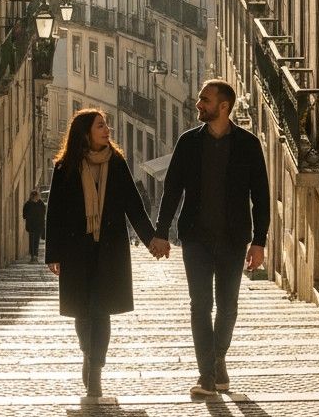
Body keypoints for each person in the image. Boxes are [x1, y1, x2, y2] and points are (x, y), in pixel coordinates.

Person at [150, 79, 270, 398]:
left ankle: (217, 360)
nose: (198, 104)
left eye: (205, 100)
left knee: (228, 306)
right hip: (196, 240)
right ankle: (207, 375)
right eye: (201, 99)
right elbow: (172, 189)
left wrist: (260, 241)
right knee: (200, 305)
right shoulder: (189, 143)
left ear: (224, 106)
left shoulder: (248, 144)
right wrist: (161, 233)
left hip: (233, 240)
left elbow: (261, 196)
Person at [44, 109, 157, 398]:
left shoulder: (117, 163)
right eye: (101, 126)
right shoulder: (64, 168)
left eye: (106, 125)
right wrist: (53, 253)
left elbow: (133, 205)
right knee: (83, 312)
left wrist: (152, 240)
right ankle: (87, 352)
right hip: (76, 251)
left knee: (102, 311)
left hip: (109, 250)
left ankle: (96, 368)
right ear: (85, 133)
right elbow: (54, 212)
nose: (107, 130)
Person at [22, 189, 46, 262]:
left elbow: (43, 215)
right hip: (31, 226)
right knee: (32, 241)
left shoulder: (41, 204)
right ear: (33, 196)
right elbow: (24, 215)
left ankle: (35, 256)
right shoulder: (27, 204)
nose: (37, 198)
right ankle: (33, 256)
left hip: (38, 226)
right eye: (36, 196)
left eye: (37, 196)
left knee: (36, 241)